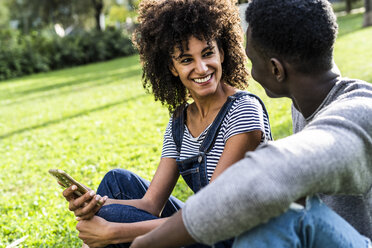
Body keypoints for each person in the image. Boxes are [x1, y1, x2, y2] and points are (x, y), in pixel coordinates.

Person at [129, 0, 372, 247]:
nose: (251, 72)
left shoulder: (356, 114)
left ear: (276, 69)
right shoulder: (307, 105)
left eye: (252, 60)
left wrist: (144, 243)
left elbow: (267, 175)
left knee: (282, 219)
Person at [62, 0, 272, 247]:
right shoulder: (180, 122)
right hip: (204, 228)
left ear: (222, 53)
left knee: (110, 219)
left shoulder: (244, 111)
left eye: (207, 53)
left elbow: (209, 214)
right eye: (186, 60)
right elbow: (151, 204)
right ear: (172, 68)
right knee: (116, 183)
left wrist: (111, 232)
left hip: (242, 238)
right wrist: (93, 201)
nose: (201, 68)